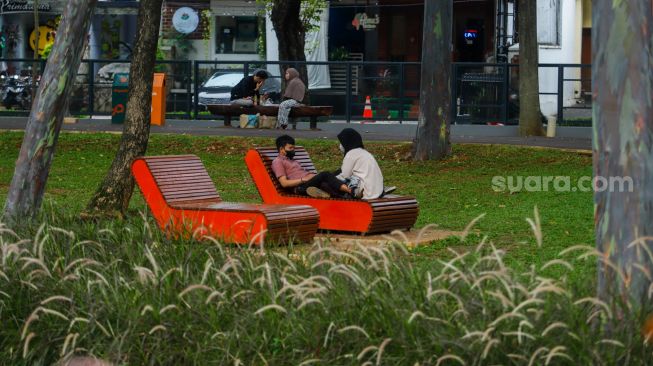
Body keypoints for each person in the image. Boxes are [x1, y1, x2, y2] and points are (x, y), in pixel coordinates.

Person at [271, 135, 352, 198]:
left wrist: (312, 177)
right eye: (290, 148)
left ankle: (344, 193)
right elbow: (284, 183)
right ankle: (350, 191)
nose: (293, 150)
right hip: (300, 187)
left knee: (340, 171)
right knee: (325, 174)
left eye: (294, 148)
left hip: (309, 183)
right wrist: (303, 179)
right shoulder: (277, 162)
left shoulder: (291, 160)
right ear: (281, 149)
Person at [336, 128, 386, 200]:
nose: (340, 145)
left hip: (366, 193)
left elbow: (345, 176)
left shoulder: (351, 153)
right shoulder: (365, 152)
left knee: (327, 178)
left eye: (341, 142)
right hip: (377, 191)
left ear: (347, 141)